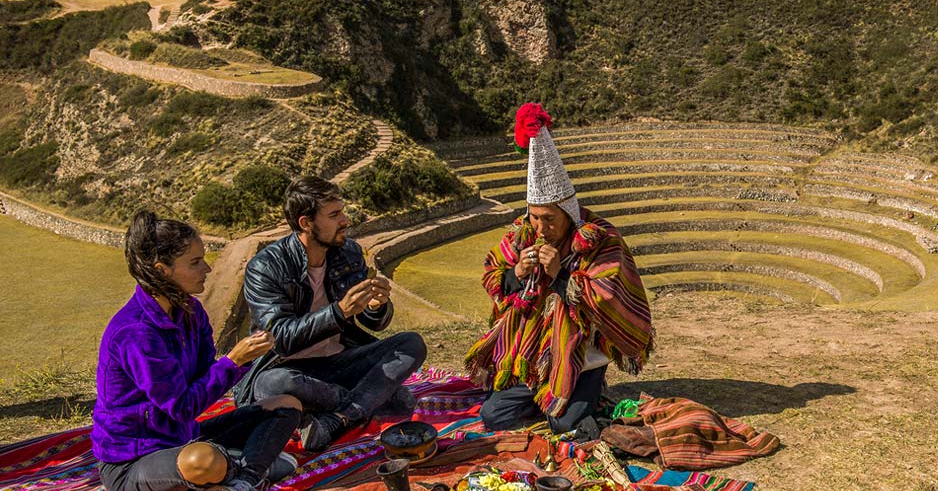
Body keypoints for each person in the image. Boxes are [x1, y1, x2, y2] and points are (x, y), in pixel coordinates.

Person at [465, 103, 654, 434]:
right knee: (494, 416)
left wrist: (561, 278)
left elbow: (608, 298)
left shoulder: (602, 240)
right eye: (535, 217)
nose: (540, 227)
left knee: (564, 423)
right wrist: (516, 274)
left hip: (582, 353)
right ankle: (548, 390)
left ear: (568, 211)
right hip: (533, 349)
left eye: (549, 219)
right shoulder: (523, 235)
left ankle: (585, 388)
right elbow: (493, 272)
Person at [93, 211, 302, 491]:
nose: (207, 268)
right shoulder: (134, 332)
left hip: (185, 436)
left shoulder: (190, 312)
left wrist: (247, 357)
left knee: (286, 405)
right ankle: (248, 467)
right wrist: (232, 361)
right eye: (195, 262)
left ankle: (242, 477)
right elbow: (182, 407)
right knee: (203, 461)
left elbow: (205, 380)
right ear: (161, 270)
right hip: (134, 462)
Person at [233, 176, 427, 452]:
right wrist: (338, 312)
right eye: (334, 215)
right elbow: (280, 338)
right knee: (272, 384)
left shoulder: (347, 252)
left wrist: (376, 307)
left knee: (411, 344)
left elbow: (370, 323)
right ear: (306, 223)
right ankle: (369, 401)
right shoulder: (265, 267)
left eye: (342, 212)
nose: (345, 221)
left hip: (339, 361)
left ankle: (337, 419)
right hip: (289, 369)